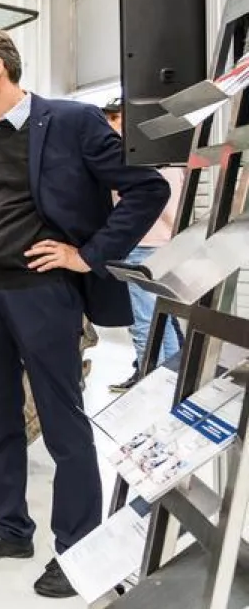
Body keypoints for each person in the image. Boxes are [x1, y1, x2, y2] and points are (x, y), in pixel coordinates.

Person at [0, 28, 169, 598]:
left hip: (42, 295)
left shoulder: (72, 122)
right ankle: (9, 526)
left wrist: (86, 255)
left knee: (64, 423)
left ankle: (77, 548)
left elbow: (146, 189)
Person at [100, 100, 186, 391]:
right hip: (164, 243)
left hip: (143, 244)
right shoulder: (163, 153)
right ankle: (173, 384)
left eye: (113, 119)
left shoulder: (138, 158)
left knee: (145, 324)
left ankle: (152, 391)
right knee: (163, 317)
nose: (109, 127)